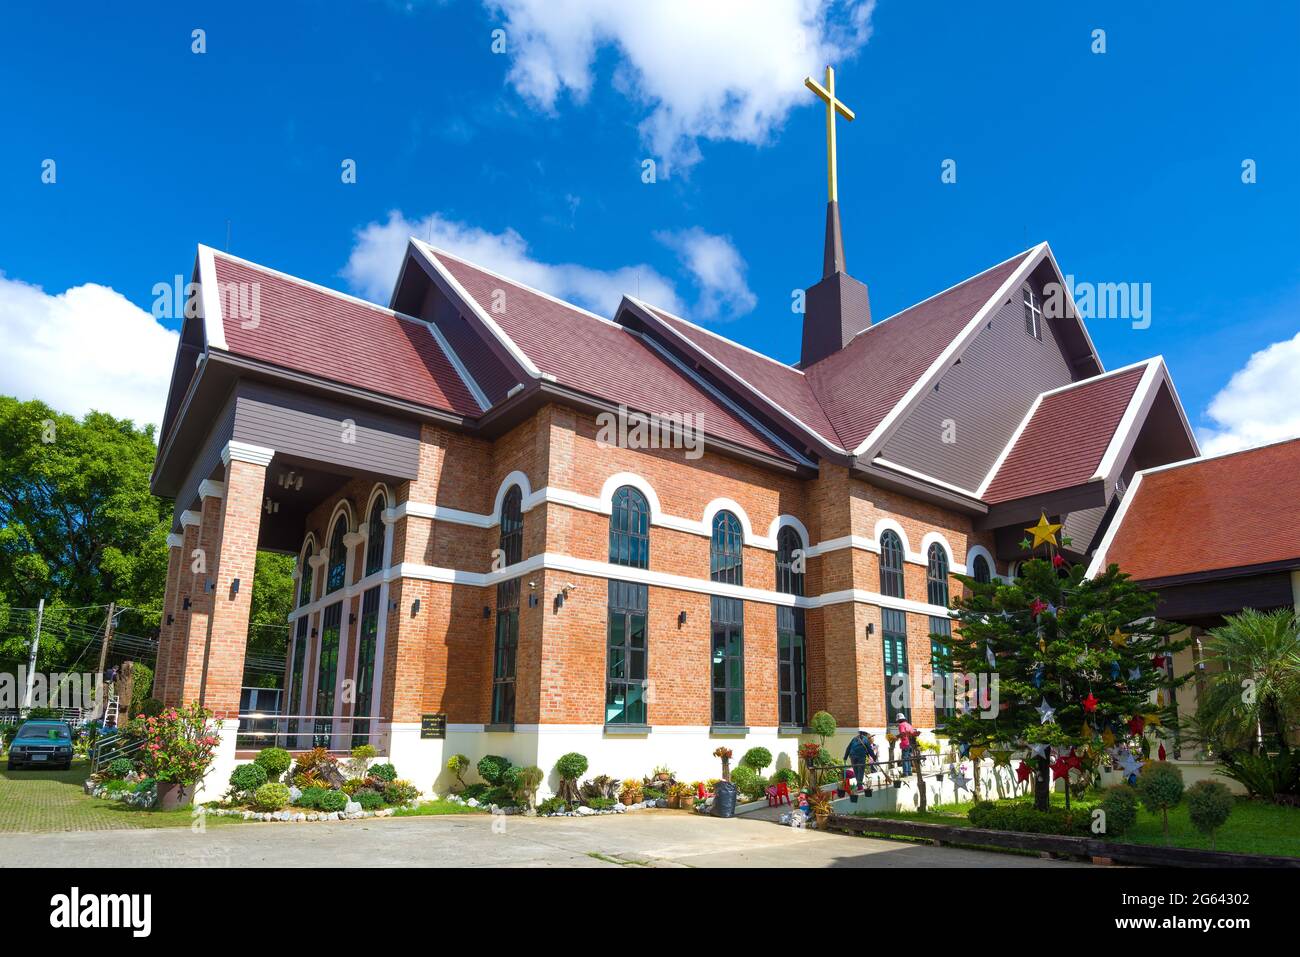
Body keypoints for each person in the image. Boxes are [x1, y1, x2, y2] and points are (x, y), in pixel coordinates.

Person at [843, 730, 871, 799]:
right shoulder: (865, 739)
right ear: (865, 734)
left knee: (856, 771)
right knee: (861, 770)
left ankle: (859, 785)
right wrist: (874, 757)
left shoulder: (854, 739)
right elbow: (870, 750)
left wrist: (845, 757)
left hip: (852, 757)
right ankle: (860, 786)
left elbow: (848, 748)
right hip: (860, 757)